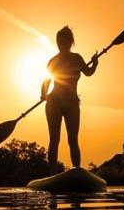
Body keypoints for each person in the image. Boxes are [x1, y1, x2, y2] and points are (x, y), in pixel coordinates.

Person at [41, 26, 98, 174]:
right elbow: (46, 82)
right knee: (54, 140)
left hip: (72, 103)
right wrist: (43, 94)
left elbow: (88, 72)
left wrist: (95, 63)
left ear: (70, 42)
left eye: (65, 42)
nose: (62, 45)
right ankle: (52, 174)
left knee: (73, 140)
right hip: (54, 103)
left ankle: (76, 172)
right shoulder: (52, 61)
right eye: (59, 42)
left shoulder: (77, 58)